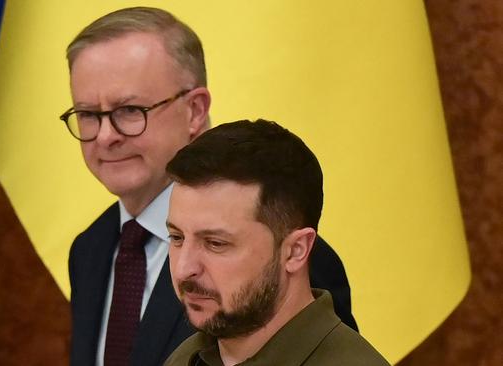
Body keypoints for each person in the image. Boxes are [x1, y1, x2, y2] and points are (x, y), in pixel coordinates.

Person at [62, 7, 356, 366]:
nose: (106, 136)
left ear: (195, 110)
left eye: (128, 111)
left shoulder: (280, 252)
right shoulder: (90, 248)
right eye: (89, 114)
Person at [163, 120, 389, 366]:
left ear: (295, 251)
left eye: (216, 243)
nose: (184, 268)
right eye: (177, 237)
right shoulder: (186, 358)